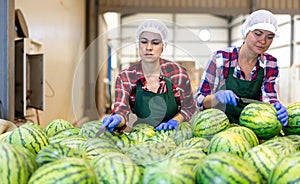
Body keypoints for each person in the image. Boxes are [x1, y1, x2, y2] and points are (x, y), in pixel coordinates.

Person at [194, 9, 288, 126]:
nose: (263, 41)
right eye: (258, 34)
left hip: (253, 128)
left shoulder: (270, 63)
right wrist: (217, 97)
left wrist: (276, 107)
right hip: (219, 127)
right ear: (246, 32)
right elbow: (199, 100)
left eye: (269, 37)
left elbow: (268, 98)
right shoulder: (221, 58)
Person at [101, 19, 196, 132]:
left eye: (155, 42)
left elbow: (189, 107)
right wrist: (118, 119)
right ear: (138, 44)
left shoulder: (178, 74)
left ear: (163, 46)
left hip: (175, 134)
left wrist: (176, 120)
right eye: (144, 42)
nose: (149, 47)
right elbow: (121, 110)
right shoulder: (125, 77)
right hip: (142, 136)